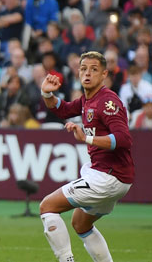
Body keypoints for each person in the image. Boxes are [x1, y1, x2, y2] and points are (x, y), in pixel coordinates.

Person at [39, 51, 134, 262]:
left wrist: (87, 139)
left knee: (47, 206)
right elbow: (63, 110)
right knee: (81, 224)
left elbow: (124, 139)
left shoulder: (107, 102)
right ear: (78, 73)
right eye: (83, 69)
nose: (87, 73)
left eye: (94, 69)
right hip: (114, 177)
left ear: (104, 75)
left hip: (107, 177)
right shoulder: (87, 100)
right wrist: (47, 94)